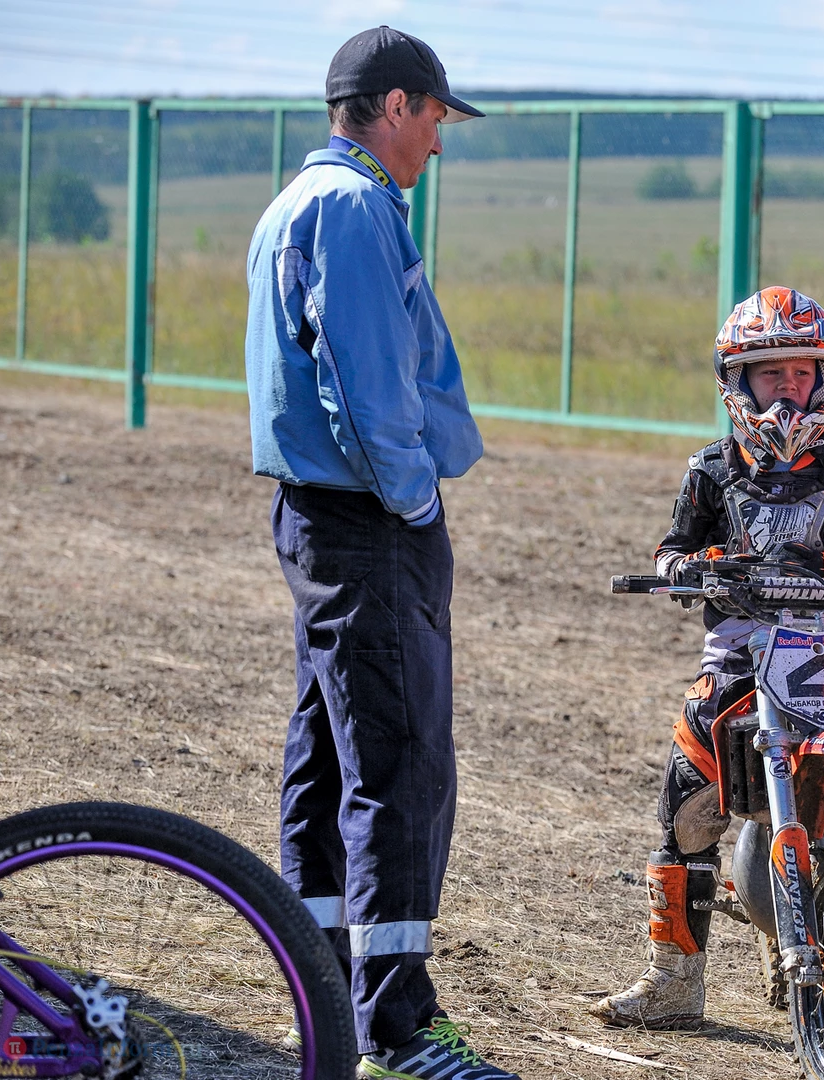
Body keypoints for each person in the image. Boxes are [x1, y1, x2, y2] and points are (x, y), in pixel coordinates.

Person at [245, 26, 520, 1080]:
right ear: (396, 105)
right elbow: (361, 388)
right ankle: (398, 1029)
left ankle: (324, 991)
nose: (438, 143)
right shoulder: (354, 208)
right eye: (436, 118)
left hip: (316, 518)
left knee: (329, 754)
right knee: (401, 766)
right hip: (366, 521)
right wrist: (412, 504)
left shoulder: (293, 202)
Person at [590, 285, 824, 1029]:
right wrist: (687, 568)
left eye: (801, 372)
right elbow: (671, 549)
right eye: (769, 372)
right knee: (689, 779)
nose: (786, 388)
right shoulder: (712, 469)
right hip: (740, 652)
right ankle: (673, 977)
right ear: (736, 382)